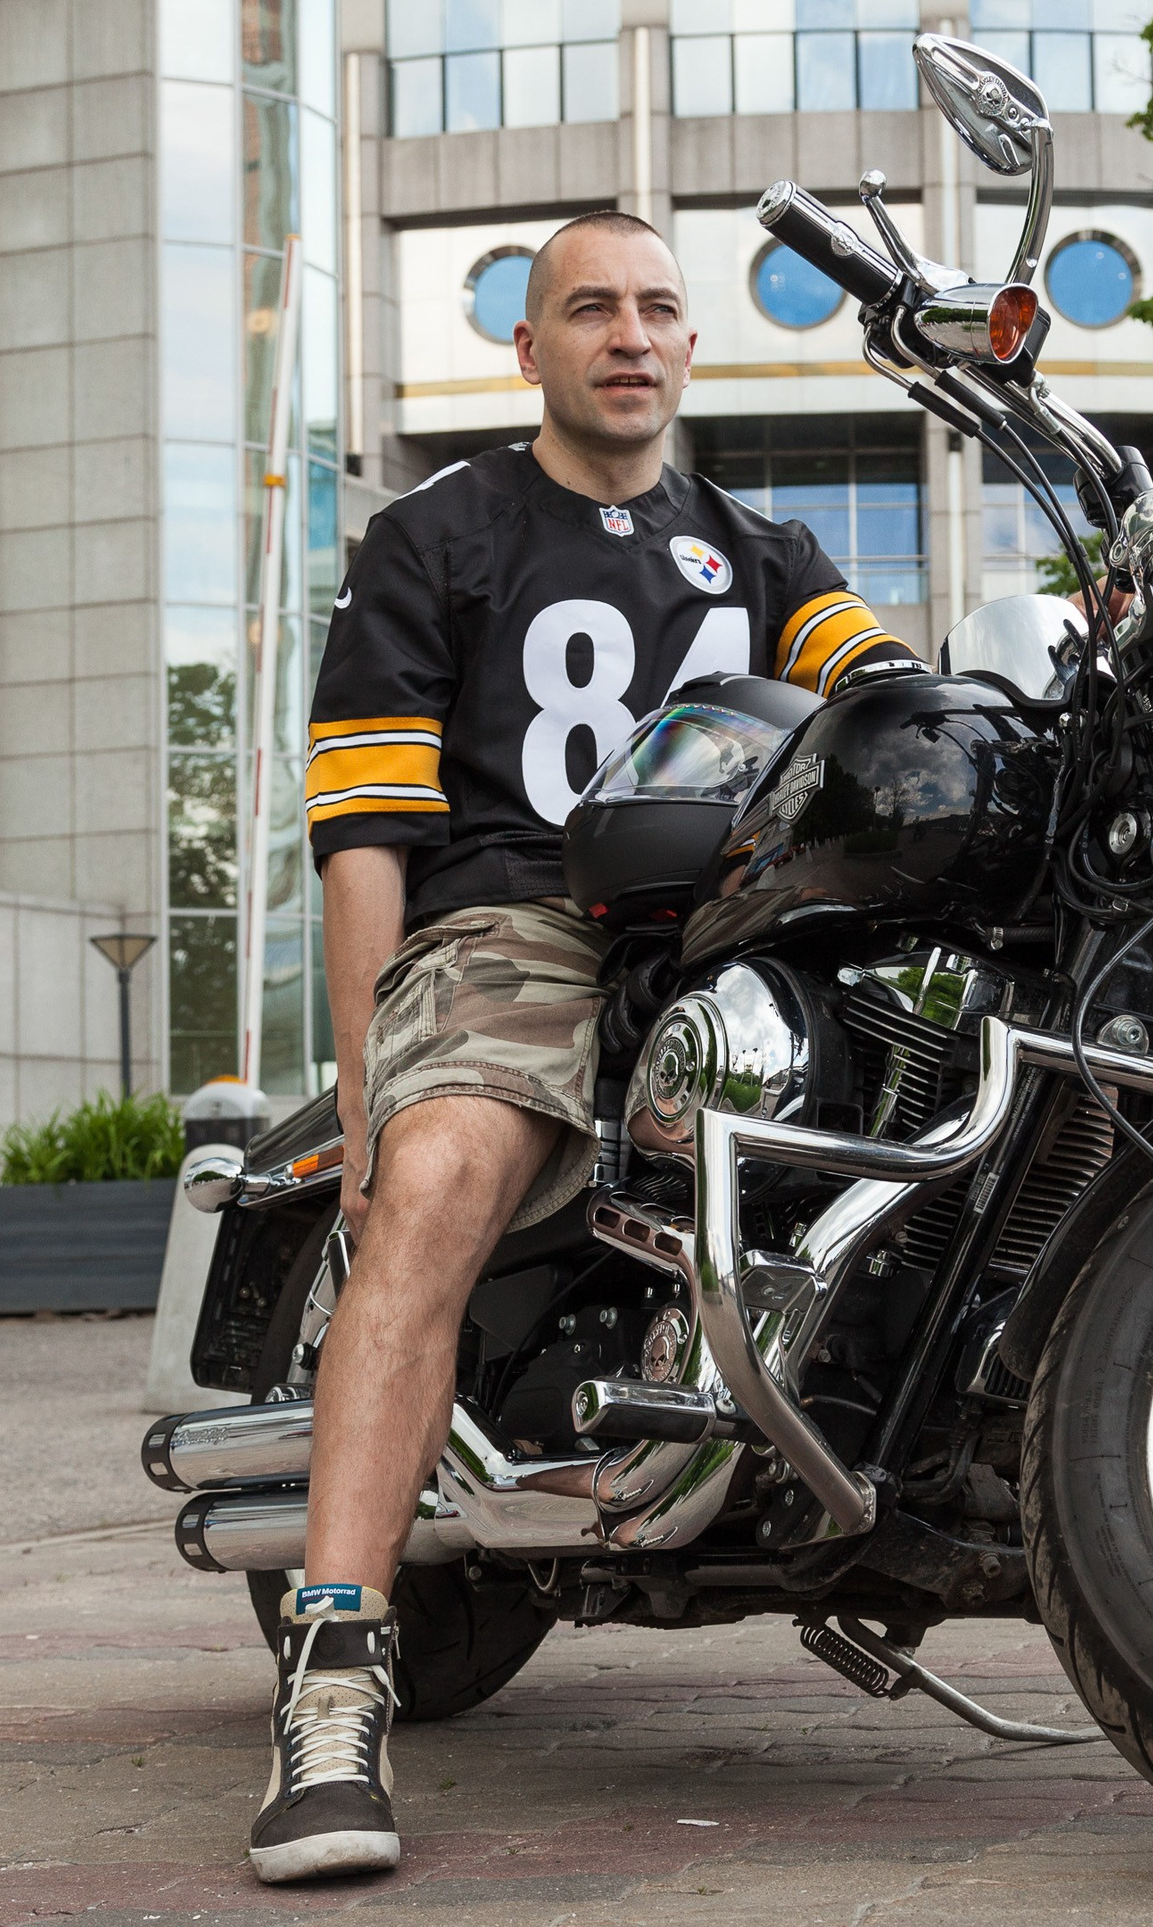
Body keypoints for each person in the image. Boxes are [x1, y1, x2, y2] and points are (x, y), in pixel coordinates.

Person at [247, 209, 916, 1884]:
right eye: (592, 308)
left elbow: (890, 697)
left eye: (659, 309)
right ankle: (334, 1676)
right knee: (440, 1182)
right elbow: (365, 832)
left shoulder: (767, 554)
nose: (630, 335)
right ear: (529, 346)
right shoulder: (435, 535)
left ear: (692, 343)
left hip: (738, 950)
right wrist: (372, 1094)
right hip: (519, 933)